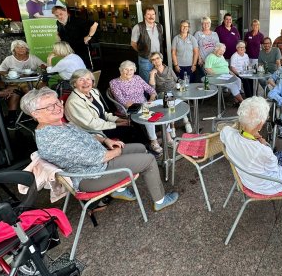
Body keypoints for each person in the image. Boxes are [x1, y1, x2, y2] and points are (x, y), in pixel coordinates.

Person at [22, 87, 179, 212]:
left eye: (57, 103)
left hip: (98, 163)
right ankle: (160, 201)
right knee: (149, 160)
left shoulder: (57, 124)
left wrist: (105, 140)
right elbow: (97, 159)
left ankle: (120, 190)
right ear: (36, 114)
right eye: (50, 106)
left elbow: (86, 135)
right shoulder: (53, 137)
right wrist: (116, 152)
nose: (57, 108)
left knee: (139, 147)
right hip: (92, 176)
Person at [220, 96, 282, 224]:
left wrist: (250, 133)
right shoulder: (261, 150)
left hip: (248, 174)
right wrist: (264, 144)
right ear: (260, 124)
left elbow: (224, 130)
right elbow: (274, 168)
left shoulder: (228, 133)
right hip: (268, 183)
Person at [64, 69, 148, 145]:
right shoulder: (74, 101)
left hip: (102, 125)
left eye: (88, 79)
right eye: (81, 80)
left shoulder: (93, 92)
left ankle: (147, 145)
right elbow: (91, 124)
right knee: (130, 130)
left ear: (92, 81)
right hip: (94, 132)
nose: (86, 83)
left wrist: (118, 119)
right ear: (74, 83)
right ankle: (140, 151)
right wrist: (115, 124)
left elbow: (103, 113)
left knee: (133, 123)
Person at [109, 60, 165, 153]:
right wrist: (143, 105)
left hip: (145, 104)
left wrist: (151, 99)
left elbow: (150, 90)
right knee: (148, 115)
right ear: (121, 70)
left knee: (164, 109)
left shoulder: (137, 78)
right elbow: (122, 101)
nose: (129, 72)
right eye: (126, 69)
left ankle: (168, 137)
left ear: (134, 70)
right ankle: (153, 141)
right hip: (128, 108)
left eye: (131, 69)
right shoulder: (114, 83)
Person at [147, 51, 192, 133]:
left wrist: (184, 83)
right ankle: (172, 125)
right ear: (151, 62)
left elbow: (177, 80)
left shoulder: (169, 69)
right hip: (162, 93)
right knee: (170, 100)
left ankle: (186, 122)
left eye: (157, 58)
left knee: (180, 100)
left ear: (161, 59)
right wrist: (152, 75)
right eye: (153, 60)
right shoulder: (152, 72)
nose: (156, 61)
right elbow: (152, 88)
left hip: (175, 90)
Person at [52, 5, 98, 70]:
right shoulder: (58, 22)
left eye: (61, 14)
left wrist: (89, 36)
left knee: (85, 69)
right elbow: (59, 32)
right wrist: (58, 38)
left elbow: (94, 24)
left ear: (65, 11)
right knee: (73, 70)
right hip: (68, 52)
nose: (59, 17)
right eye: (56, 15)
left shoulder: (76, 20)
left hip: (81, 49)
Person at [130, 6, 166, 82]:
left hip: (158, 59)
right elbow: (133, 44)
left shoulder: (160, 26)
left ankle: (155, 94)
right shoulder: (138, 27)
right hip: (146, 59)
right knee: (146, 80)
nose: (151, 16)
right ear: (145, 16)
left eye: (153, 14)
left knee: (157, 79)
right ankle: (147, 94)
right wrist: (142, 51)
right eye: (148, 14)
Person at [194, 16, 220, 82]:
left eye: (208, 23)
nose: (206, 25)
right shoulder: (198, 34)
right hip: (204, 60)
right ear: (201, 24)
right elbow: (195, 48)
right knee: (207, 78)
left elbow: (218, 47)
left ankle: (216, 91)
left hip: (214, 60)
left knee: (215, 77)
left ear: (210, 24)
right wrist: (199, 58)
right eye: (204, 23)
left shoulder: (215, 34)